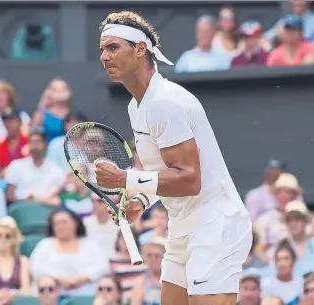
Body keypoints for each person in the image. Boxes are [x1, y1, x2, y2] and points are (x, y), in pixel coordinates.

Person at [96, 11, 252, 305]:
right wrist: (140, 201)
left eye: (113, 47)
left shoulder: (166, 102)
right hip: (182, 225)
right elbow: (164, 173)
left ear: (140, 49)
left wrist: (123, 179)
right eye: (102, 49)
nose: (104, 57)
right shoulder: (136, 106)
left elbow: (190, 180)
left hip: (215, 225)